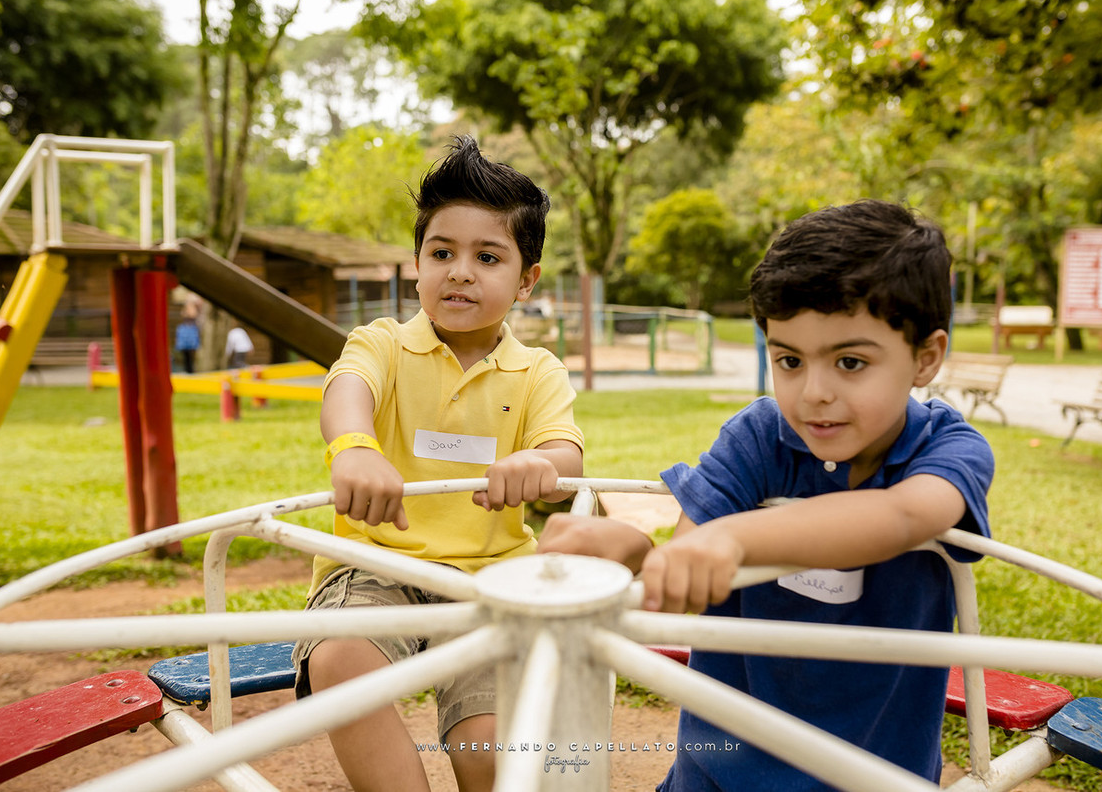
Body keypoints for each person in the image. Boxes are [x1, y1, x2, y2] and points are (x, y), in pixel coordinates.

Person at [539, 199, 995, 791]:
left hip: (873, 775)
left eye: (850, 361)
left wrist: (735, 536)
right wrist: (633, 554)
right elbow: (690, 571)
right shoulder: (759, 438)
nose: (814, 393)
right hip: (718, 771)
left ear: (925, 358)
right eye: (789, 360)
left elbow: (905, 513)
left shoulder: (950, 448)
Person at [293, 135, 584, 792]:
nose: (459, 271)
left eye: (487, 257)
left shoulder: (537, 370)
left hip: (490, 578)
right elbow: (346, 391)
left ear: (526, 281)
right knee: (341, 661)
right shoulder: (383, 343)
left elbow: (565, 449)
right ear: (417, 265)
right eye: (442, 252)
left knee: (489, 743)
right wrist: (355, 448)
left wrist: (541, 464)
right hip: (376, 564)